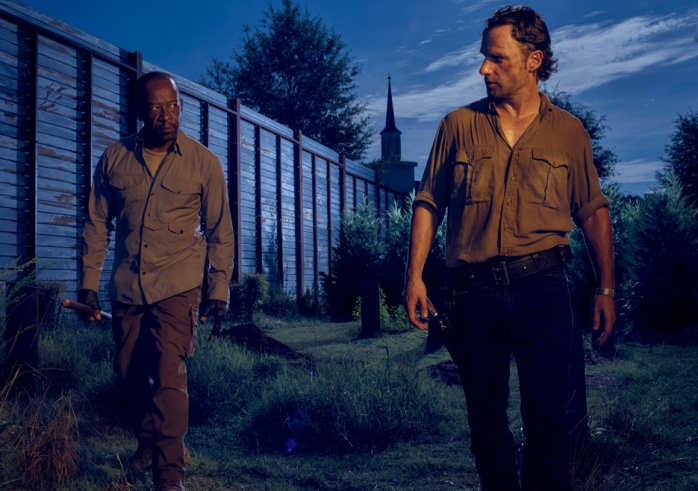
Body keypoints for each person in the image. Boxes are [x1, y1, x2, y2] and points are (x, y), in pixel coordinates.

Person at [404, 6, 616, 491]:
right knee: (486, 427)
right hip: (473, 294)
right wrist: (413, 277)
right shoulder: (457, 125)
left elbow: (592, 210)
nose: (484, 68)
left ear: (533, 60)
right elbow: (429, 202)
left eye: (497, 58)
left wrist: (605, 288)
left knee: (549, 423)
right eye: (484, 57)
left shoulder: (569, 133)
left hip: (543, 289)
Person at [77, 71, 235, 491]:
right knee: (129, 374)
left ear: (181, 106)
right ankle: (147, 441)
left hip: (179, 285)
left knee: (168, 376)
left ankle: (169, 475)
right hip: (128, 285)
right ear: (139, 111)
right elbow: (96, 223)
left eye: (173, 105)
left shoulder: (204, 162)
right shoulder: (114, 159)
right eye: (155, 107)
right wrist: (88, 285)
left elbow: (220, 231)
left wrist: (218, 290)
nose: (167, 116)